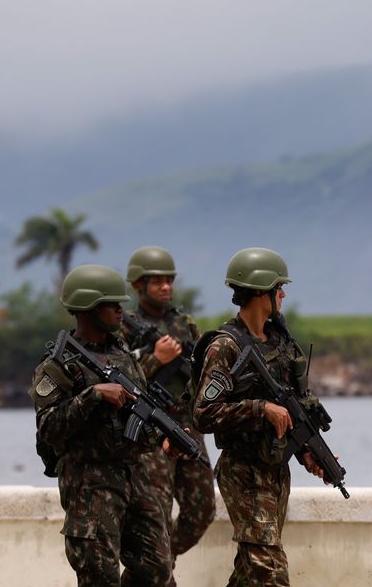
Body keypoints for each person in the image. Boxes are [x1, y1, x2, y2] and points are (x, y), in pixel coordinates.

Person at [193, 247, 331, 587]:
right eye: (278, 286)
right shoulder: (225, 347)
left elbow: (291, 410)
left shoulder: (281, 344)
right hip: (243, 472)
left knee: (249, 571)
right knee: (271, 572)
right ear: (259, 291)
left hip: (275, 472)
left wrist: (307, 451)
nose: (283, 293)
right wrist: (260, 409)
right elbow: (203, 413)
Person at [31, 263, 173, 586]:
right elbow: (49, 428)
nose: (121, 311)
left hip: (134, 477)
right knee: (99, 578)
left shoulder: (124, 355)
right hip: (90, 485)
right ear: (87, 308)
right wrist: (93, 395)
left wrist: (164, 439)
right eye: (112, 304)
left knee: (157, 569)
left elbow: (138, 416)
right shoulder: (57, 365)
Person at [123, 245, 215, 584]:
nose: (166, 287)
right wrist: (155, 359)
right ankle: (156, 567)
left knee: (202, 511)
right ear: (138, 285)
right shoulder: (125, 330)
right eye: (157, 281)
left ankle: (159, 560)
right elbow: (121, 383)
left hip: (187, 430)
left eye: (169, 281)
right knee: (156, 517)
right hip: (151, 437)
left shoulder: (184, 324)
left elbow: (201, 373)